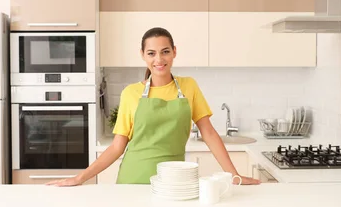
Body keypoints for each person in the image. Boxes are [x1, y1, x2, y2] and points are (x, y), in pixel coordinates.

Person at [47, 27, 260, 186]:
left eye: (165, 51)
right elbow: (117, 147)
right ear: (143, 55)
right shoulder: (131, 93)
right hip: (134, 180)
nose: (159, 59)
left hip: (175, 181)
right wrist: (81, 177)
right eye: (151, 53)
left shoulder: (189, 86)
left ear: (174, 52)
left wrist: (234, 175)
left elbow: (210, 134)